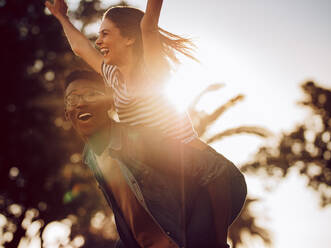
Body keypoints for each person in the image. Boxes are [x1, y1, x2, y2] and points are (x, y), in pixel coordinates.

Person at [63, 70, 246, 248]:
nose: (81, 103)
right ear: (67, 113)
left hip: (208, 203)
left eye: (91, 95)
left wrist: (218, 242)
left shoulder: (138, 140)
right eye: (73, 98)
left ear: (108, 104)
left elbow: (215, 170)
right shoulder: (91, 157)